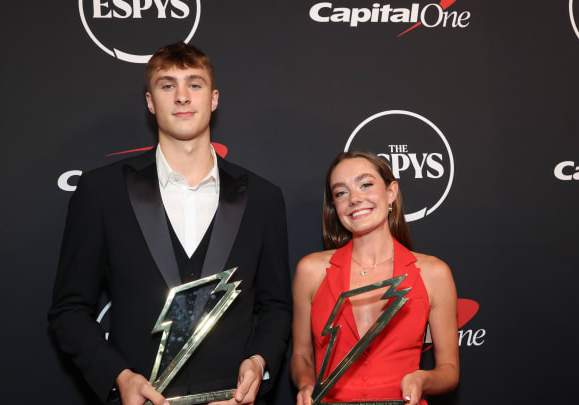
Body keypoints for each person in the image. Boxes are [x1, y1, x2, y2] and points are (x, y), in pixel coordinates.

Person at [48, 42, 292, 405]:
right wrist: (120, 378)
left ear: (213, 99)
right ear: (150, 102)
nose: (182, 96)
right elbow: (69, 310)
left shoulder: (263, 198)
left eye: (194, 84)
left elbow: (276, 306)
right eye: (167, 85)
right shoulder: (101, 191)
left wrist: (259, 363)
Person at [290, 150, 458, 405]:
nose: (354, 199)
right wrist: (306, 384)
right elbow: (301, 355)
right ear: (334, 206)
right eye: (341, 192)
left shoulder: (434, 273)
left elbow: (449, 370)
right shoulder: (311, 271)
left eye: (365, 185)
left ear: (391, 192)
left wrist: (422, 379)